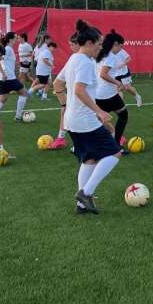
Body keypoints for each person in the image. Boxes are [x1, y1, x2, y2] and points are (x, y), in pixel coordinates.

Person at [53, 19, 120, 214]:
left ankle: (82, 205)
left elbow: (58, 83)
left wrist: (68, 105)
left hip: (73, 120)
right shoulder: (86, 62)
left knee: (89, 159)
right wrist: (99, 112)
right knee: (114, 153)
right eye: (99, 44)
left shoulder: (74, 59)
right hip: (84, 120)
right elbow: (80, 90)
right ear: (89, 43)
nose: (100, 48)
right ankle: (86, 193)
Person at [95, 29, 128, 151]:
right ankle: (116, 145)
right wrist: (117, 82)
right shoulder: (110, 57)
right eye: (120, 46)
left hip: (99, 94)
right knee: (123, 116)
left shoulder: (100, 54)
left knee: (98, 120)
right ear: (115, 44)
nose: (121, 49)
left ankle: (94, 144)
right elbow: (103, 74)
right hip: (107, 94)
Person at [50, 33, 80, 150]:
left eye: (72, 45)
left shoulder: (85, 59)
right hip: (80, 100)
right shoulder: (75, 58)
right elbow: (57, 83)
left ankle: (115, 136)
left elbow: (57, 83)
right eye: (70, 45)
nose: (70, 47)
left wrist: (65, 103)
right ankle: (62, 139)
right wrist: (65, 103)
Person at [0, 32, 28, 121]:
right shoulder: (7, 49)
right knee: (24, 93)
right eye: (15, 37)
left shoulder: (8, 48)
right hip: (8, 77)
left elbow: (3, 61)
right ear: (10, 39)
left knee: (2, 99)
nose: (17, 39)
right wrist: (3, 73)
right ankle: (18, 116)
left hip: (4, 78)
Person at [114, 42, 142, 107]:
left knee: (127, 87)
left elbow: (129, 58)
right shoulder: (108, 52)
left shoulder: (121, 51)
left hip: (124, 72)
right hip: (114, 74)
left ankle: (137, 96)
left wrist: (122, 64)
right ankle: (120, 105)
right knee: (117, 89)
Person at [31, 34, 52, 99]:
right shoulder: (45, 46)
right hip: (42, 64)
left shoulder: (38, 45)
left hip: (36, 63)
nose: (50, 40)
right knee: (49, 81)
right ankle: (43, 95)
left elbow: (33, 54)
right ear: (46, 39)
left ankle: (33, 91)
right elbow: (45, 57)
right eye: (49, 39)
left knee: (38, 80)